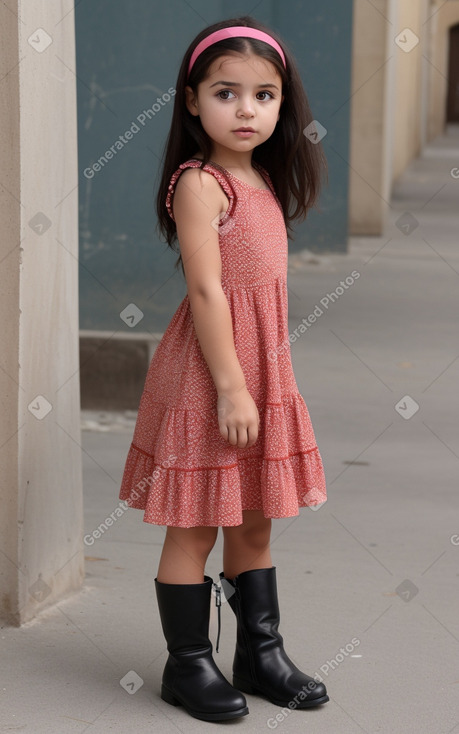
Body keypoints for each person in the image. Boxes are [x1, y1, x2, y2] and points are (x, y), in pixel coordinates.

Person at [118, 15, 329, 722]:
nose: (246, 109)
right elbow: (208, 291)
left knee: (255, 523)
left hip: (263, 372)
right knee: (195, 527)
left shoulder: (263, 178)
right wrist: (233, 387)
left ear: (282, 103)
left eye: (263, 95)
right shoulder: (200, 183)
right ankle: (188, 666)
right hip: (213, 374)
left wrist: (262, 381)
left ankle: (259, 655)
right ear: (191, 100)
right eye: (226, 92)